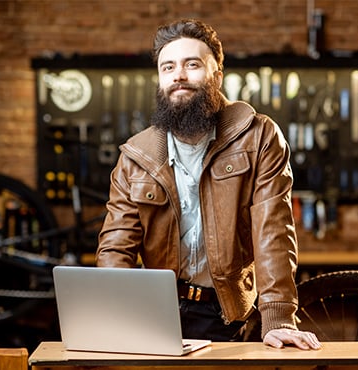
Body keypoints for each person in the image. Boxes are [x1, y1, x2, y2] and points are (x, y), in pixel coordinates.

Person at [96, 18, 321, 350]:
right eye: (168, 67)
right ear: (160, 80)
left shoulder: (258, 136)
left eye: (192, 64)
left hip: (227, 311)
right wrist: (113, 313)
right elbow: (117, 246)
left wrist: (277, 317)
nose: (179, 75)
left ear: (217, 74)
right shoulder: (135, 156)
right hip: (156, 311)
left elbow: (272, 230)